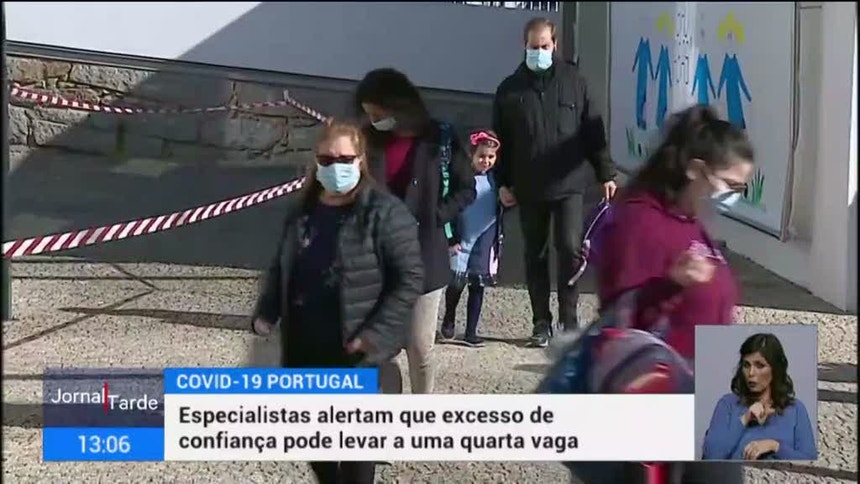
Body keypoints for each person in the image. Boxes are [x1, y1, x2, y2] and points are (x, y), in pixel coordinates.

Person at [576, 105, 754, 483]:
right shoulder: (638, 221)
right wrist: (670, 283)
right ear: (696, 170)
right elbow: (617, 318)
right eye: (732, 185)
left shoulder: (691, 222)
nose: (736, 196)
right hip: (660, 401)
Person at [250, 119, 423, 484]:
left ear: (360, 160)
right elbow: (282, 266)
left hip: (356, 350)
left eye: (344, 159)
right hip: (306, 348)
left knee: (356, 450)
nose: (335, 168)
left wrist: (374, 335)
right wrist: (267, 310)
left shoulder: (384, 212)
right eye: (327, 160)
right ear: (316, 161)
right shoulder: (303, 210)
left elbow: (408, 279)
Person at [492, 17, 618, 348]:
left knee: (570, 249)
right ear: (524, 46)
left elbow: (593, 130)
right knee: (535, 253)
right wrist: (502, 183)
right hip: (529, 186)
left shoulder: (575, 82)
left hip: (568, 184)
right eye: (533, 47)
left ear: (555, 44)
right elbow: (501, 141)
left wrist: (605, 172)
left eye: (544, 46)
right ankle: (540, 322)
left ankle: (569, 320)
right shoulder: (510, 90)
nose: (539, 52)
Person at [355, 68, 477, 394]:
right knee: (382, 350)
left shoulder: (441, 137)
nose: (374, 120)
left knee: (420, 347)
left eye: (378, 114)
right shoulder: (365, 139)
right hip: (378, 258)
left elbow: (466, 188)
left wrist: (437, 215)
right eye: (369, 115)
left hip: (425, 256)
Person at [702, 332, 817, 461]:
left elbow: (810, 462)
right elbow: (711, 457)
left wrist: (775, 446)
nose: (751, 373)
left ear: (775, 369)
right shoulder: (728, 404)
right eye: (746, 365)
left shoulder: (795, 410)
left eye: (760, 366)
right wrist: (745, 418)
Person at [440, 130, 505, 347]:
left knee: (478, 285)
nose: (486, 161)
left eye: (491, 157)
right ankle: (449, 318)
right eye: (481, 156)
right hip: (462, 238)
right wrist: (451, 237)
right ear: (471, 155)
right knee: (456, 283)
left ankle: (471, 331)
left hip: (484, 240)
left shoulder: (496, 180)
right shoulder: (461, 178)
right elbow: (449, 208)